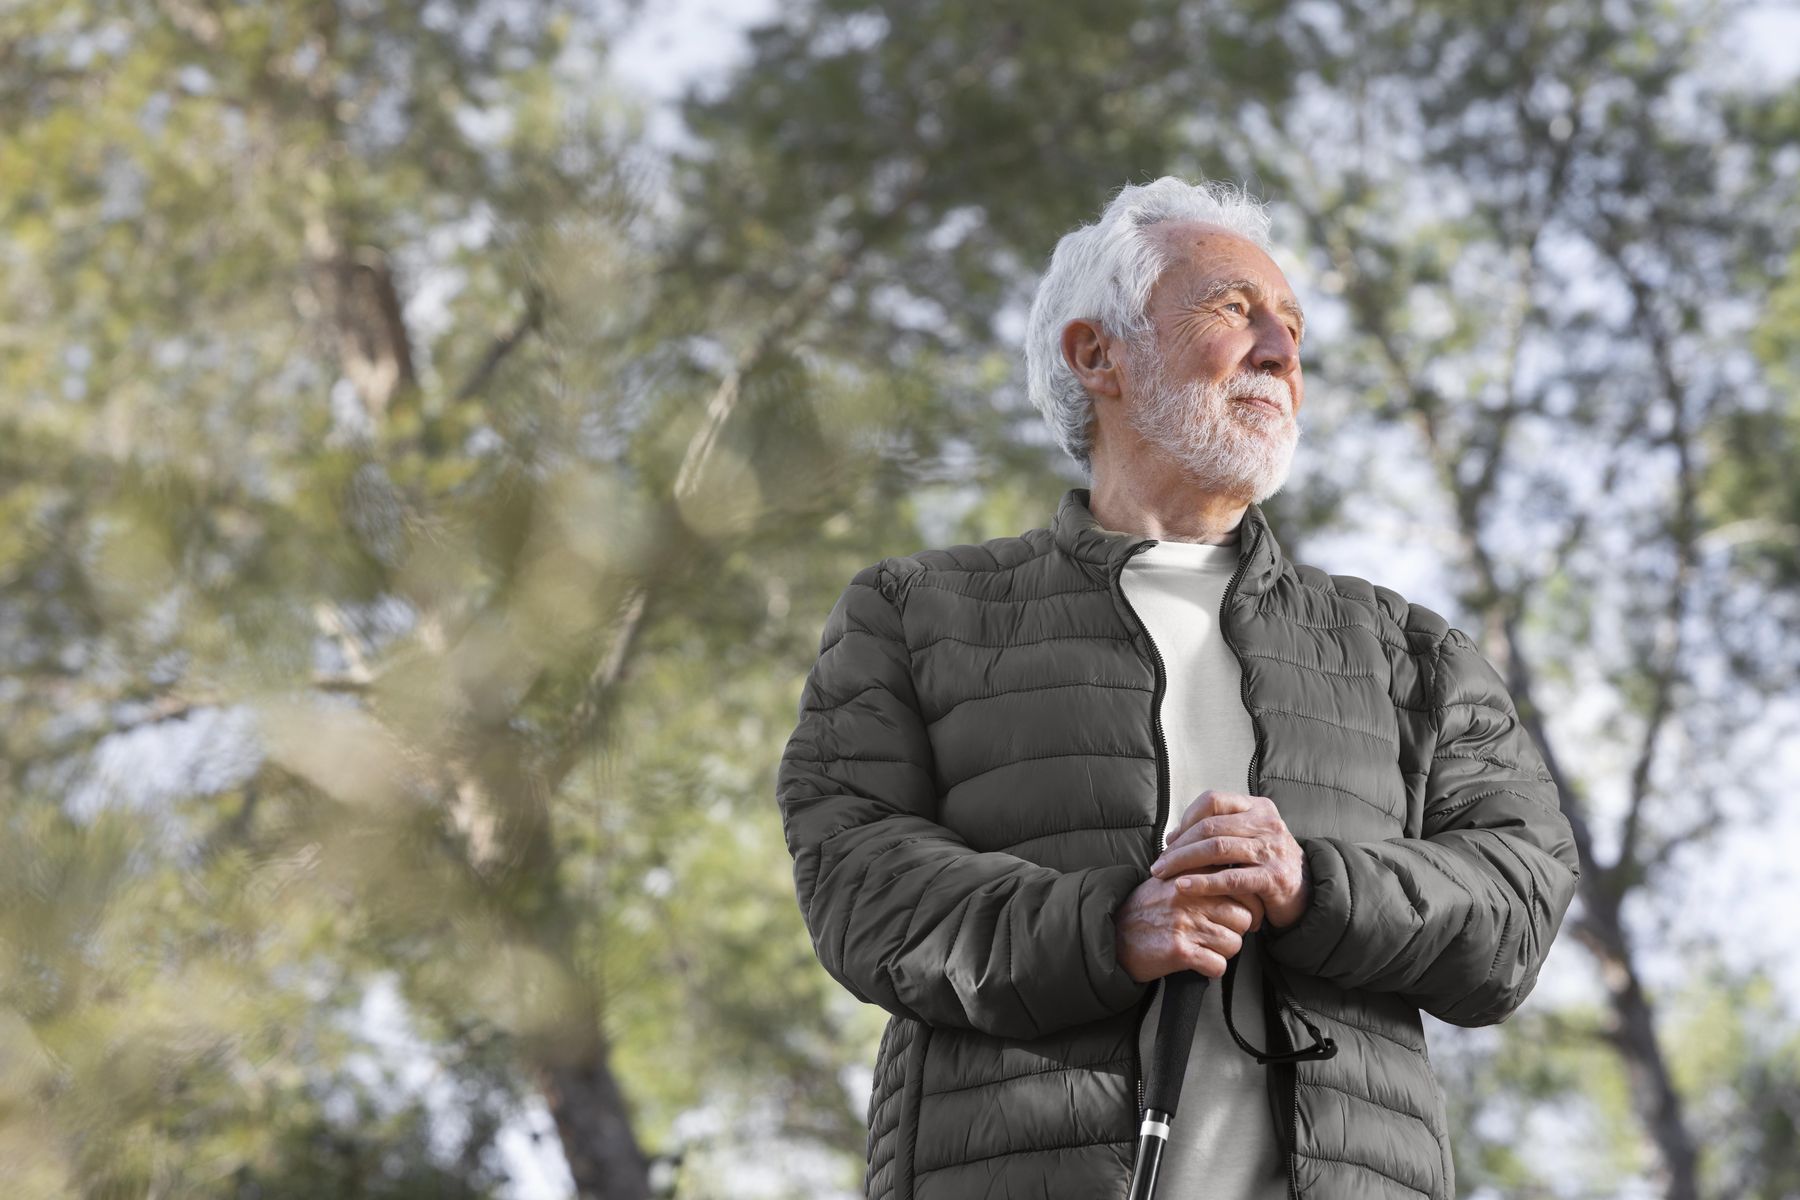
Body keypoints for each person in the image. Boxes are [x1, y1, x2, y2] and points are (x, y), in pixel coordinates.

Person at [774, 176, 1579, 1200]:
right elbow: (856, 877)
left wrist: (1313, 886)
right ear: (1096, 355)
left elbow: (1518, 897)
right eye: (1234, 310)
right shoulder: (914, 613)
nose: (1281, 353)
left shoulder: (1408, 652)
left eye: (1292, 328)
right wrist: (1111, 928)